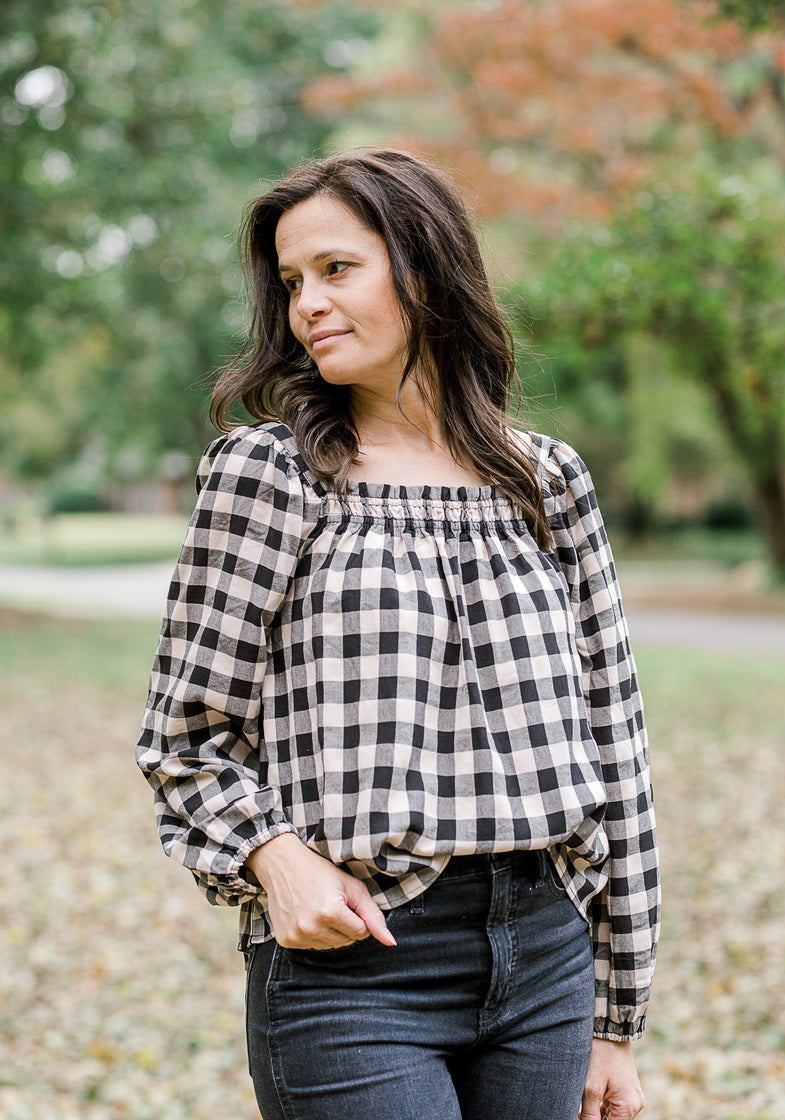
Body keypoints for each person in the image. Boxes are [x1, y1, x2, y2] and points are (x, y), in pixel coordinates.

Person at [136, 147, 659, 1120]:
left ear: (424, 266)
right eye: (291, 281)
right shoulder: (268, 476)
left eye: (336, 269)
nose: (305, 305)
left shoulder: (544, 481)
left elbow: (615, 750)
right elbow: (185, 738)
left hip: (545, 958)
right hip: (353, 968)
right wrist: (273, 858)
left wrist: (615, 1014)